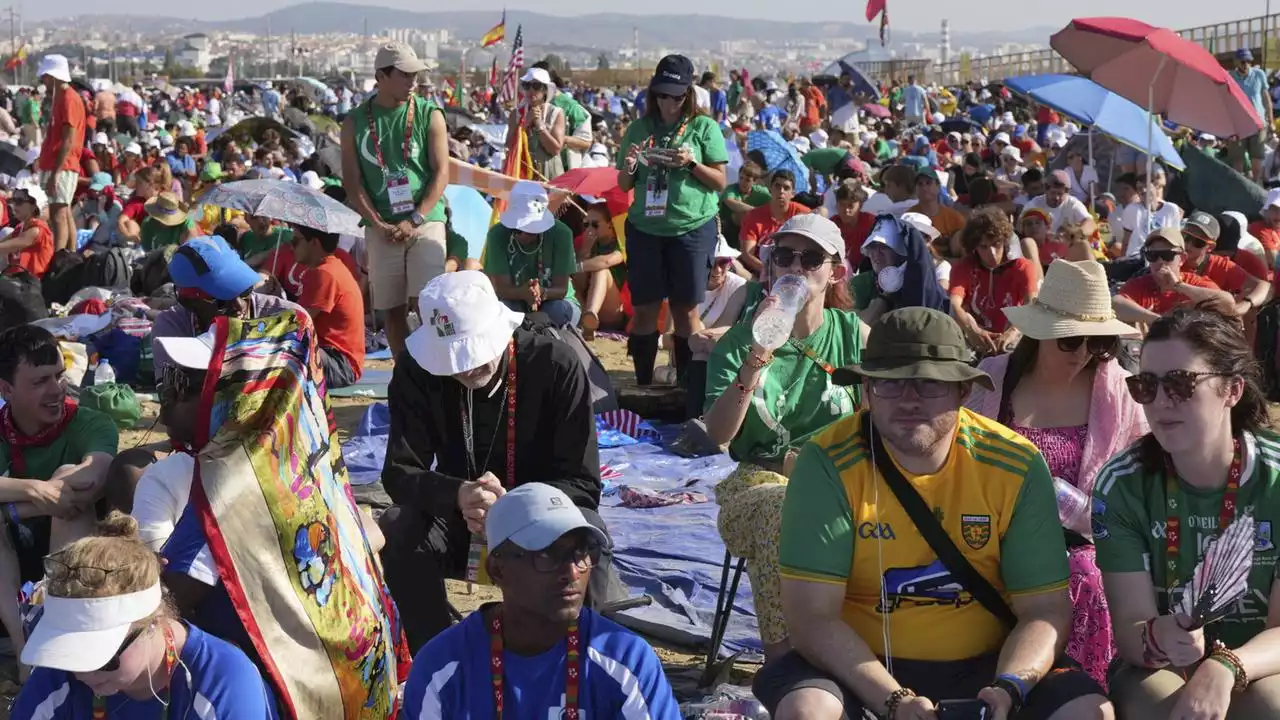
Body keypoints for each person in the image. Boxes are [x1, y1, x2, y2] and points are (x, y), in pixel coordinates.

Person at [758, 307, 1112, 720]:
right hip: (855, 664)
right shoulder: (827, 462)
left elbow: (1045, 611)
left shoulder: (1014, 463)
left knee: (1088, 711)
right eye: (890, 384)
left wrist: (1010, 686)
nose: (909, 400)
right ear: (867, 390)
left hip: (988, 665)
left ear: (964, 392)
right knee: (808, 710)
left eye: (930, 384)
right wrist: (895, 701)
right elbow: (812, 620)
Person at [377, 271, 622, 650]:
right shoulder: (416, 370)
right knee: (398, 527)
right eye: (452, 360)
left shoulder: (555, 364)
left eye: (473, 352)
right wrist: (458, 494)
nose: (465, 368)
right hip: (461, 520)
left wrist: (514, 506)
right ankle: (438, 656)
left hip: (542, 519)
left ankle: (575, 659)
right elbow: (399, 471)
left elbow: (584, 485)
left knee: (587, 534)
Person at [966, 259, 1149, 687]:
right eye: (1072, 341)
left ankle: (1082, 693)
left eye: (1100, 343)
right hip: (992, 535)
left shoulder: (1118, 390)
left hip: (1085, 543)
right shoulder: (994, 380)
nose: (1085, 353)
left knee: (1084, 573)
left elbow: (1141, 486)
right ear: (1041, 332)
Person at [1094, 309, 1280, 718]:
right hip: (1163, 667)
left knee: (1271, 704)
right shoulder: (1122, 484)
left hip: (1262, 661)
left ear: (1232, 390)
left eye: (1181, 383)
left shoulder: (1276, 478)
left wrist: (1227, 665)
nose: (1161, 402)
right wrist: (1158, 635)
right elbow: (1130, 630)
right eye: (1147, 385)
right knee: (1163, 706)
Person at [705, 214, 867, 659]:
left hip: (840, 483)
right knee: (781, 511)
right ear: (770, 265)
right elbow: (719, 434)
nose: (796, 266)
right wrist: (757, 357)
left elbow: (882, 423)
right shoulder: (739, 343)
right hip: (758, 483)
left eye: (811, 257)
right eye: (784, 255)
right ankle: (787, 663)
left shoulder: (854, 336)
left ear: (835, 271)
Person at [402, 483, 682, 719]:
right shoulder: (442, 667)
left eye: (582, 552)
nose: (573, 571)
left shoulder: (626, 660)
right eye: (547, 555)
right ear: (497, 569)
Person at [10, 513, 280, 719]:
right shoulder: (61, 673)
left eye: (101, 657)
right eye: (70, 652)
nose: (83, 672)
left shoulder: (225, 682)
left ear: (152, 621)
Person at [0, 325, 119, 673]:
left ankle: (60, 638)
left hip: (72, 560)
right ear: (6, 389)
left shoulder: (89, 422)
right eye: (39, 382)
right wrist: (35, 490)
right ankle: (25, 651)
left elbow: (93, 477)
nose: (56, 390)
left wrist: (11, 507)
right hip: (11, 559)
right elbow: (55, 494)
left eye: (59, 376)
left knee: (70, 481)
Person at [617, 54, 729, 386]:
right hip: (645, 229)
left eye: (676, 96)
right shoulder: (639, 127)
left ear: (689, 94)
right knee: (645, 309)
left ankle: (689, 386)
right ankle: (642, 383)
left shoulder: (704, 126)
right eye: (662, 95)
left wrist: (691, 164)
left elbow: (721, 181)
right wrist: (633, 163)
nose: (669, 103)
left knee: (686, 310)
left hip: (692, 229)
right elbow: (624, 184)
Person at [342, 42, 450, 360]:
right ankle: (407, 375)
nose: (413, 81)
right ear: (381, 76)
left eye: (415, 74)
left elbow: (442, 174)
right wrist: (377, 223)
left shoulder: (430, 115)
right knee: (391, 310)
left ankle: (437, 369)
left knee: (428, 303)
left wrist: (415, 218)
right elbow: (352, 182)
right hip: (381, 226)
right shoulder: (354, 122)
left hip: (425, 220)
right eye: (405, 75)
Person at [150, 235, 302, 378]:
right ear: (188, 302)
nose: (240, 305)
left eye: (244, 290)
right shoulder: (172, 330)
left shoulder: (288, 320)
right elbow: (175, 403)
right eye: (222, 300)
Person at [484, 181, 580, 328]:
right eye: (516, 230)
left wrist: (541, 292)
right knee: (502, 311)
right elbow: (502, 289)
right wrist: (523, 293)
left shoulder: (562, 234)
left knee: (555, 311)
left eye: (530, 231)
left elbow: (561, 290)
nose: (522, 235)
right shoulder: (497, 235)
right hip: (516, 301)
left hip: (557, 302)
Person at [949, 207, 1040, 354]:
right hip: (973, 338)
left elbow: (1032, 304)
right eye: (983, 247)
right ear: (974, 247)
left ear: (1005, 241)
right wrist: (973, 330)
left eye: (996, 244)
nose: (991, 253)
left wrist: (1013, 331)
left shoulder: (1023, 267)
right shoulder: (963, 267)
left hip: (1013, 336)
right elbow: (954, 304)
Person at [290, 223, 366, 388]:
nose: (291, 246)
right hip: (338, 361)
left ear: (315, 243)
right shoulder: (332, 267)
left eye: (296, 241)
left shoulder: (324, 273)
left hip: (340, 365)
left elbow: (296, 323)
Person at [1113, 228, 1236, 326]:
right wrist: (1160, 321)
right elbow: (1116, 304)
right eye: (1152, 255)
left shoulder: (1194, 283)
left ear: (1182, 259)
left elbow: (1227, 303)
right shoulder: (1140, 284)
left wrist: (1179, 286)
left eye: (1167, 255)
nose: (1160, 261)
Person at [34, 54, 85, 253]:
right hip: (56, 163)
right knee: (64, 213)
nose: (43, 81)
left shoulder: (69, 99)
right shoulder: (60, 98)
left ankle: (59, 259)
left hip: (62, 164)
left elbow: (68, 139)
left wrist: (56, 172)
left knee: (58, 215)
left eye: (45, 76)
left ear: (53, 76)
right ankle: (69, 256)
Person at [738, 169, 810, 275]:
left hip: (795, 271)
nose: (781, 191)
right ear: (770, 189)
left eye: (786, 188)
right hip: (761, 272)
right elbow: (747, 254)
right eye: (777, 186)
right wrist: (771, 272)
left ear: (793, 193)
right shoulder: (753, 216)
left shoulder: (804, 214)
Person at [573, 200, 627, 339]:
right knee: (571, 277)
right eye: (586, 224)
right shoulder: (584, 243)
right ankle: (587, 317)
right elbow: (577, 280)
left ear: (610, 225)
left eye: (595, 224)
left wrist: (578, 266)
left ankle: (590, 315)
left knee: (601, 270)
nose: (589, 229)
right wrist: (585, 251)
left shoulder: (621, 242)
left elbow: (608, 260)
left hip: (613, 310)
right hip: (586, 302)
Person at [509, 67, 566, 180]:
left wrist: (540, 125)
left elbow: (555, 149)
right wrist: (524, 124)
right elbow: (509, 145)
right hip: (523, 173)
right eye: (527, 86)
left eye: (536, 86)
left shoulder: (556, 113)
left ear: (545, 89)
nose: (531, 91)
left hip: (549, 173)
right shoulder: (516, 114)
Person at [1229, 48, 1273, 182]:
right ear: (1236, 62)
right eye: (1242, 61)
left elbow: (1266, 98)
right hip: (1238, 125)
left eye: (1248, 61)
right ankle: (1240, 188)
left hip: (1258, 123)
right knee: (1237, 161)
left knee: (1257, 160)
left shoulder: (1259, 74)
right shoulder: (1230, 76)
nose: (1245, 64)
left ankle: (1256, 186)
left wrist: (1270, 121)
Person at [0, 185, 54, 278]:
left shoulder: (37, 230)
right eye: (14, 200)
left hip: (30, 285)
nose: (15, 205)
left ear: (34, 206)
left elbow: (4, 247)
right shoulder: (21, 227)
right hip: (16, 279)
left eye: (20, 201)